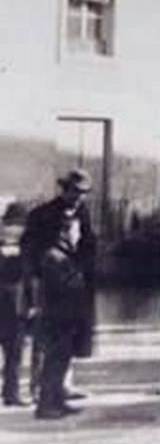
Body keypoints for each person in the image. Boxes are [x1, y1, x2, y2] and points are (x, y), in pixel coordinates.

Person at [23, 169, 98, 410]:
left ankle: (57, 398)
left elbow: (88, 248)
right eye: (75, 192)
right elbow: (30, 253)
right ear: (64, 189)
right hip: (51, 290)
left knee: (66, 346)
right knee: (52, 345)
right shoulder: (42, 215)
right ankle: (46, 403)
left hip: (76, 290)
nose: (79, 197)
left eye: (83, 193)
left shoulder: (83, 215)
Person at [1, 202, 32, 407]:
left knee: (14, 353)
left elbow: (29, 279)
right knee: (14, 353)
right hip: (10, 305)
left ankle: (11, 393)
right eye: (11, 224)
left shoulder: (28, 248)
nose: (15, 229)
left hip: (17, 306)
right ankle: (10, 393)